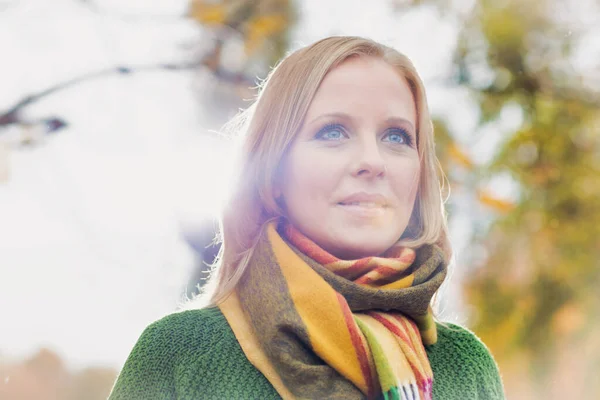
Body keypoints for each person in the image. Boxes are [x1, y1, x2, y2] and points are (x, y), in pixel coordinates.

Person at [108, 36, 505, 400]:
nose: (371, 161)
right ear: (273, 172)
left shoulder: (465, 366)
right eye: (333, 132)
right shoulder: (180, 354)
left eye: (396, 136)